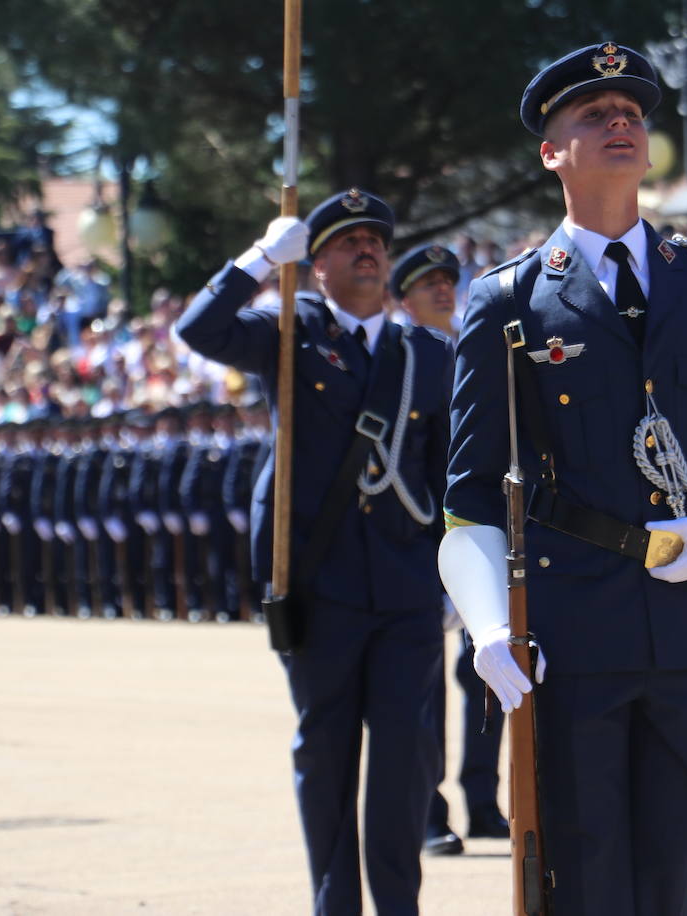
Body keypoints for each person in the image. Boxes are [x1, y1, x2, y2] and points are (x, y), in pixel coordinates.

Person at [439, 42, 687, 914]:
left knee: (673, 881)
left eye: (632, 112)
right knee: (585, 884)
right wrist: (484, 627)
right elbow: (472, 493)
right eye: (595, 115)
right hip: (574, 634)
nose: (621, 122)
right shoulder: (508, 300)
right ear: (551, 152)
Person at [176, 188, 453, 915]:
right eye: (346, 241)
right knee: (326, 755)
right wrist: (263, 258)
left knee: (404, 759)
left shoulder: (425, 354)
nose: (367, 249)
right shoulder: (289, 335)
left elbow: (452, 474)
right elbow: (198, 329)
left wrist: (457, 577)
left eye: (376, 241)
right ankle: (334, 904)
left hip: (406, 591)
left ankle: (399, 905)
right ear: (316, 262)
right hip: (317, 582)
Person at [389, 243, 509, 854]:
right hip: (421, 541)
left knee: (488, 674)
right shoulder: (399, 358)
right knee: (424, 684)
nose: (442, 291)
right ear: (402, 297)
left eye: (448, 281)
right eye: (427, 284)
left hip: (479, 534)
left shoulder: (474, 350)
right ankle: (430, 810)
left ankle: (484, 801)